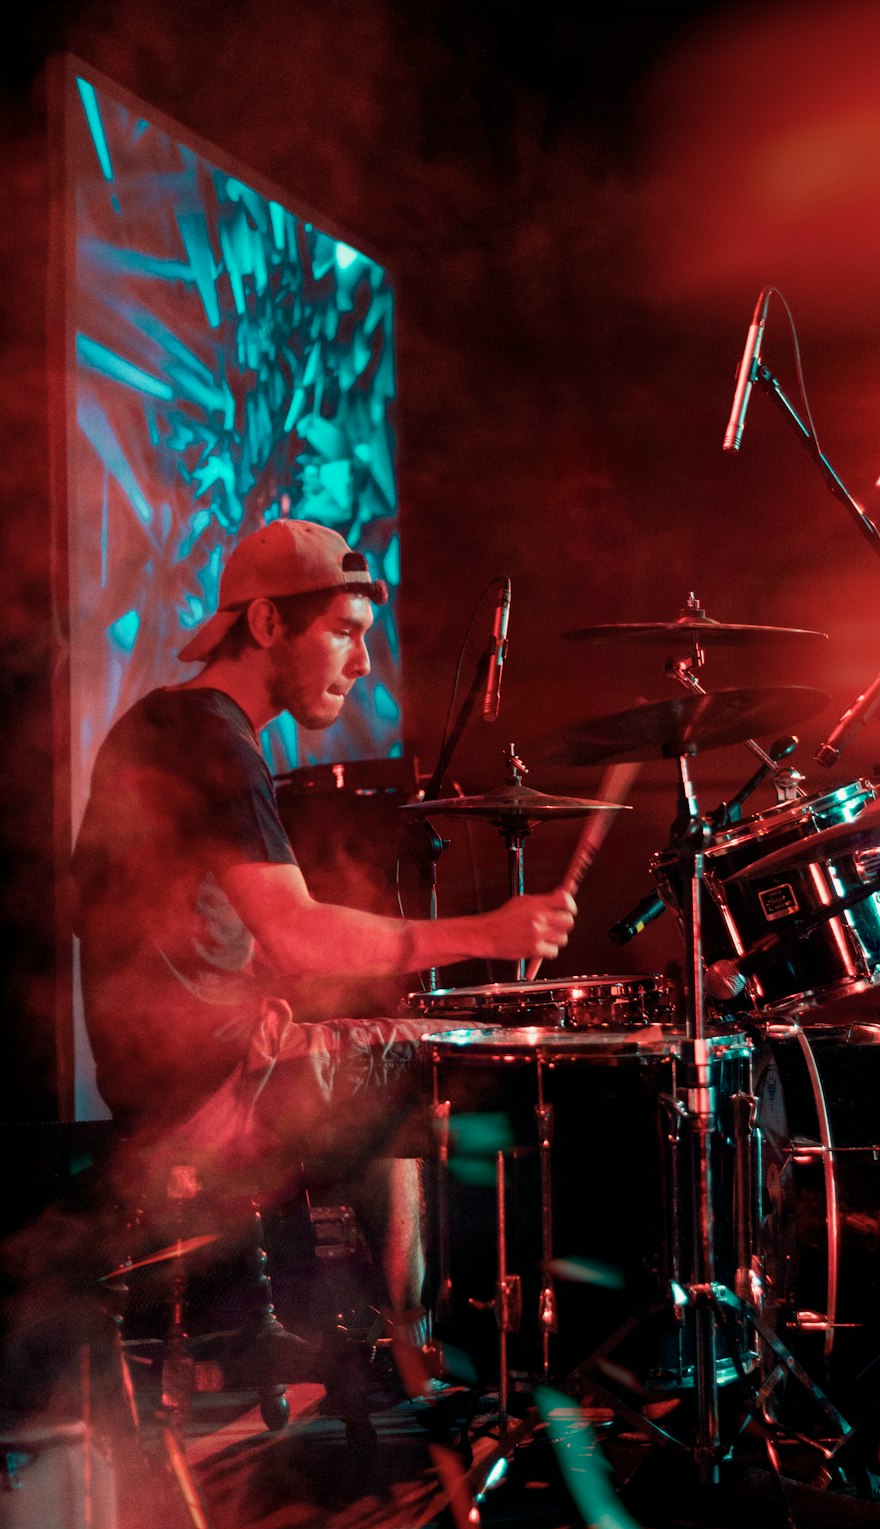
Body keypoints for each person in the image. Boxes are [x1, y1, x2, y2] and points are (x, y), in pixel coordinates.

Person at [72, 517, 576, 1368]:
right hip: (209, 1086)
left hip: (173, 1065)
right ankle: (413, 1354)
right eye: (344, 632)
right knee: (457, 1063)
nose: (364, 662)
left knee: (397, 1041)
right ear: (267, 624)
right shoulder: (210, 740)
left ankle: (368, 1339)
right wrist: (486, 933)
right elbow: (299, 934)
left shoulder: (173, 729)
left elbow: (163, 930)